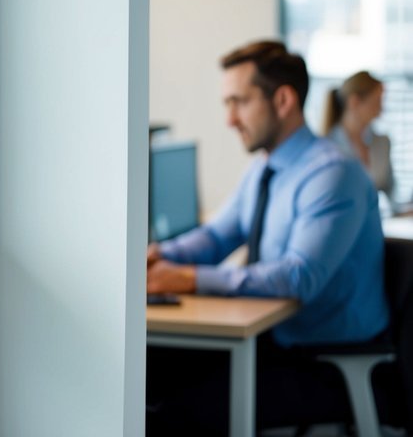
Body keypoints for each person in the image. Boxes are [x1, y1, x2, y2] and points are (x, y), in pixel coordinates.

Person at [146, 41, 388, 434]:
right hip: (271, 345)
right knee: (146, 371)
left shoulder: (332, 174)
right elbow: (216, 237)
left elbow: (299, 277)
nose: (229, 119)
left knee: (173, 410)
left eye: (238, 102)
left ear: (283, 100)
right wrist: (155, 256)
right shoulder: (265, 168)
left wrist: (189, 278)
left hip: (322, 362)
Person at [323, 70, 394, 199]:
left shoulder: (383, 143)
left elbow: (391, 193)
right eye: (377, 101)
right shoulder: (325, 146)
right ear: (354, 102)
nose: (381, 109)